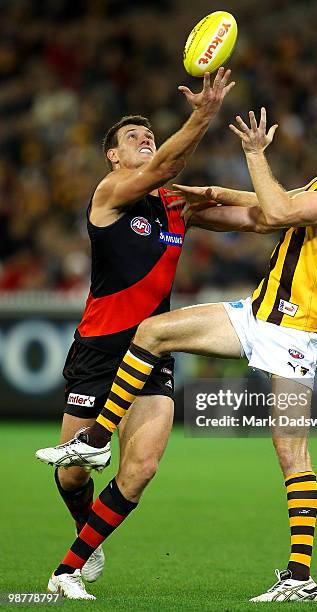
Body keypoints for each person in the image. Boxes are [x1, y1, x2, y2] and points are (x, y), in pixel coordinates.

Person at [36, 109, 317, 601]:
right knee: (153, 332)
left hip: (293, 333)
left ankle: (299, 578)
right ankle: (98, 441)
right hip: (257, 314)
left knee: (291, 451)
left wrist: (254, 153)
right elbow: (268, 201)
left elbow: (274, 214)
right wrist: (212, 194)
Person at [34, 67, 235, 600]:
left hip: (153, 352)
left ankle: (67, 571)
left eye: (149, 135)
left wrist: (290, 204)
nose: (144, 141)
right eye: (133, 138)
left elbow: (254, 217)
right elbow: (168, 162)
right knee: (75, 475)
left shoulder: (174, 205)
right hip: (100, 348)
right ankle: (87, 531)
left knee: (140, 468)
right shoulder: (110, 194)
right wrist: (204, 113)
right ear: (113, 157)